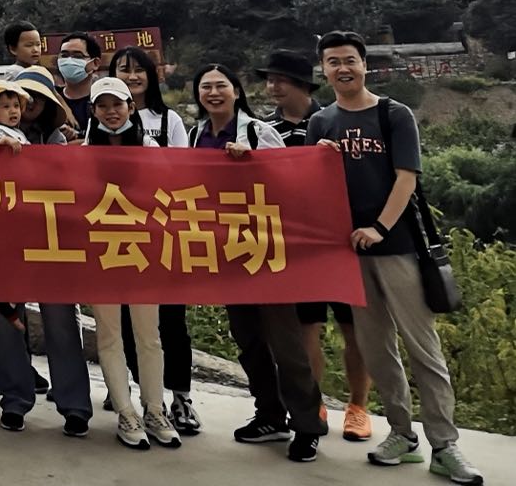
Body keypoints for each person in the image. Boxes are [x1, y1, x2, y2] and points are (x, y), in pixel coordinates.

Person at [310, 33, 481, 485]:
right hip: (349, 252)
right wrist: (319, 161)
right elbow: (313, 186)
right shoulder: (321, 122)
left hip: (398, 247)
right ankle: (402, 434)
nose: (342, 68)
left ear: (364, 65)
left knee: (423, 347)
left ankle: (444, 444)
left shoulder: (393, 114)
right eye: (333, 62)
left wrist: (380, 228)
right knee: (376, 349)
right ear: (324, 70)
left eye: (350, 60)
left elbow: (406, 179)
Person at [185, 62, 323, 461]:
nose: (214, 93)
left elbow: (289, 181)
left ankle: (307, 424)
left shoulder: (258, 132)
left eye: (221, 86)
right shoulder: (195, 135)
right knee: (248, 339)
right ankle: (270, 414)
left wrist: (254, 162)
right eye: (206, 87)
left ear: (236, 91)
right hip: (226, 249)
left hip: (265, 248)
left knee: (286, 342)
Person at [259, 47, 372, 442]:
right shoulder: (263, 129)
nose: (273, 87)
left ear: (303, 84)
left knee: (353, 328)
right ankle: (314, 403)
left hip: (341, 240)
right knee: (307, 327)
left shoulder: (332, 120)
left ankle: (358, 407)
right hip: (295, 243)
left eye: (281, 80)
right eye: (270, 80)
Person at [0, 72, 93, 437]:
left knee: (61, 323)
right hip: (6, 242)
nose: (24, 107)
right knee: (9, 323)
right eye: (15, 100)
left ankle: (74, 405)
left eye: (34, 100)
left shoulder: (55, 139)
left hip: (51, 242)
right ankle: (14, 401)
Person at [81, 76, 182, 450]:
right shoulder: (82, 153)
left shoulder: (150, 148)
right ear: (93, 111)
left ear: (130, 107)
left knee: (149, 336)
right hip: (101, 253)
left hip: (143, 252)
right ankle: (126, 413)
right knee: (109, 336)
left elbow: (169, 191)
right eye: (103, 106)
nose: (111, 112)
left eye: (117, 104)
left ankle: (154, 410)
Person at [108, 45, 198, 436]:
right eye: (122, 69)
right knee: (129, 324)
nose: (131, 76)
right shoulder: (101, 121)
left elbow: (183, 172)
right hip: (118, 234)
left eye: (138, 70)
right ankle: (137, 395)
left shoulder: (168, 119)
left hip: (161, 232)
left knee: (171, 321)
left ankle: (179, 396)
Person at [54, 31, 101, 130]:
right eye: (64, 55)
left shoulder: (102, 100)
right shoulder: (51, 98)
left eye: (78, 56)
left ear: (95, 63)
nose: (69, 61)